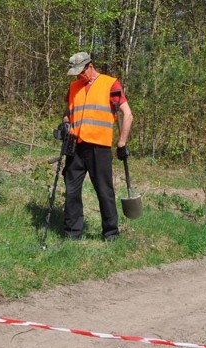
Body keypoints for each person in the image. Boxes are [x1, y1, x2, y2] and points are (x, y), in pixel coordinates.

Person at [61, 51, 134, 241]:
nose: (78, 76)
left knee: (104, 191)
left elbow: (128, 114)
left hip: (99, 148)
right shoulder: (74, 87)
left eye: (81, 72)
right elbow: (67, 114)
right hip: (75, 147)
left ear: (90, 66)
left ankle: (110, 233)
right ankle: (72, 233)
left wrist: (122, 142)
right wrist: (65, 126)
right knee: (72, 190)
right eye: (75, 73)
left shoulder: (110, 84)